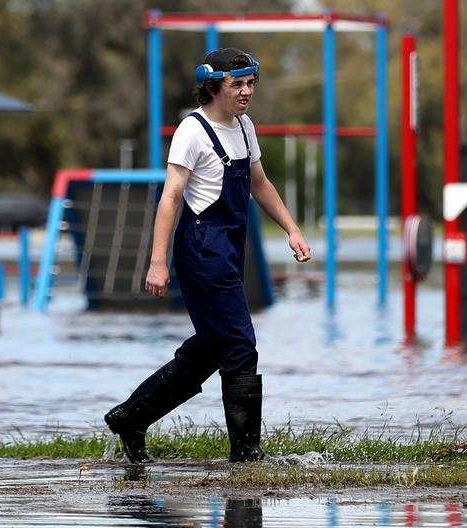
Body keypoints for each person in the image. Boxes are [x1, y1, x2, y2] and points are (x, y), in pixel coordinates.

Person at [104, 48, 311, 463]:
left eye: (251, 83)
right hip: (201, 249)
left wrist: (291, 227)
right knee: (240, 345)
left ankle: (131, 417)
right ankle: (247, 452)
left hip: (231, 247)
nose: (247, 91)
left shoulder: (245, 127)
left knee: (214, 345)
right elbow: (171, 199)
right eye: (238, 84)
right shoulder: (191, 131)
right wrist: (158, 262)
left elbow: (260, 182)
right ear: (213, 85)